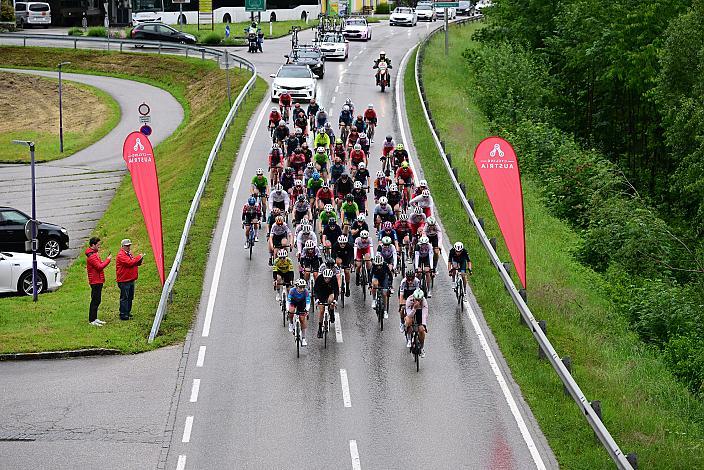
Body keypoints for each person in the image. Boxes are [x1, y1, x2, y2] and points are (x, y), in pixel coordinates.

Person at [116, 239, 144, 321]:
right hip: (124, 280)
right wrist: (139, 257)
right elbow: (129, 263)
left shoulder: (129, 253)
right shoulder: (121, 255)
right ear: (122, 246)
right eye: (126, 246)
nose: (128, 247)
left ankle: (127, 312)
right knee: (125, 298)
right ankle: (123, 314)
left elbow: (133, 262)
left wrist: (139, 261)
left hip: (130, 279)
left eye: (129, 245)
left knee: (130, 297)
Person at [86, 237, 111, 326]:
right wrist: (108, 260)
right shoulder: (92, 256)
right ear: (93, 245)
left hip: (98, 280)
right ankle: (92, 320)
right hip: (95, 281)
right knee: (95, 300)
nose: (99, 246)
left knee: (97, 300)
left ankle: (95, 318)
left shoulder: (94, 254)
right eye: (98, 244)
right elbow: (99, 267)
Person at [314, 268, 339, 338]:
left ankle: (331, 311)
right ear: (323, 277)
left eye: (329, 278)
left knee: (331, 300)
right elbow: (315, 290)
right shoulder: (319, 278)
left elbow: (336, 291)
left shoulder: (334, 279)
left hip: (330, 293)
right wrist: (317, 299)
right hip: (321, 294)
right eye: (325, 278)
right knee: (321, 311)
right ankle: (319, 329)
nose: (327, 280)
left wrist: (335, 300)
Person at [405, 288, 428, 357]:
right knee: (408, 321)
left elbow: (424, 315)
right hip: (411, 312)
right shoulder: (409, 300)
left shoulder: (424, 301)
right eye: (416, 299)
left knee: (421, 330)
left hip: (420, 313)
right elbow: (409, 315)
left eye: (419, 300)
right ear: (413, 297)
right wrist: (414, 308)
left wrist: (423, 325)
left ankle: (422, 347)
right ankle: (409, 338)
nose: (418, 301)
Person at [287, 279, 310, 346]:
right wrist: (288, 309)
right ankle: (291, 323)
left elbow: (308, 302)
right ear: (296, 286)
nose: (302, 289)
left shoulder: (306, 292)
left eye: (303, 287)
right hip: (293, 302)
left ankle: (303, 338)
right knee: (291, 311)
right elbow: (288, 301)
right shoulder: (292, 291)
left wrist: (307, 309)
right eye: (300, 287)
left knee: (302, 319)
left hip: (302, 304)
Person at [370, 254, 393, 318]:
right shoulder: (373, 265)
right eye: (377, 265)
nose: (378, 266)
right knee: (374, 284)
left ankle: (385, 311)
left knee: (384, 293)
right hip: (376, 277)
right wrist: (370, 285)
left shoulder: (385, 265)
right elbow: (371, 275)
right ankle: (374, 300)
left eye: (380, 265)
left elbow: (390, 275)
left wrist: (390, 284)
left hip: (384, 278)